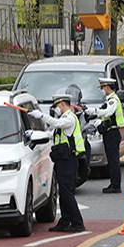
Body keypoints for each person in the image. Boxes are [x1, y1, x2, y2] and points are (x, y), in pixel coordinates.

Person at [29, 94, 86, 233]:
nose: (56, 109)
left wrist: (41, 116)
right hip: (62, 160)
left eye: (57, 106)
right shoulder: (63, 119)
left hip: (69, 160)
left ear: (62, 104)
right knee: (64, 193)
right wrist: (33, 133)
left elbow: (57, 124)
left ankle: (78, 223)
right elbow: (51, 133)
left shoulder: (70, 119)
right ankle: (65, 221)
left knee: (67, 193)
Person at [85, 77, 124, 193]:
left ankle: (116, 186)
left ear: (107, 87)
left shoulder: (113, 100)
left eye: (102, 87)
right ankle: (114, 183)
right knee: (112, 159)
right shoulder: (109, 100)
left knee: (113, 160)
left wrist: (95, 111)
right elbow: (105, 113)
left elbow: (108, 112)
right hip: (110, 133)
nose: (102, 90)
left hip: (112, 133)